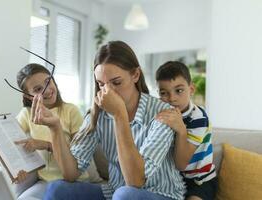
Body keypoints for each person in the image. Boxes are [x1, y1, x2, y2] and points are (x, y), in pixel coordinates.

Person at [31, 41, 186, 200]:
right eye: (101, 84)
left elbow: (135, 181)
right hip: (115, 193)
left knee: (125, 194)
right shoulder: (98, 114)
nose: (107, 92)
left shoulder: (164, 113)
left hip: (162, 194)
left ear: (135, 75)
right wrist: (55, 128)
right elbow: (71, 174)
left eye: (116, 82)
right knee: (57, 189)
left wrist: (119, 115)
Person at [14, 63, 99, 199]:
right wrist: (15, 168)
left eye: (48, 81)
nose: (47, 90)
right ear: (29, 97)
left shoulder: (71, 111)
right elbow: (10, 140)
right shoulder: (27, 113)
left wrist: (46, 145)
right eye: (37, 89)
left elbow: (77, 157)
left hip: (73, 182)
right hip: (44, 182)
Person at [155, 61, 217, 200]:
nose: (172, 98)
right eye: (164, 93)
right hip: (175, 180)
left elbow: (181, 164)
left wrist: (181, 130)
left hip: (201, 181)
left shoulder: (199, 119)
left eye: (179, 90)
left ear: (191, 89)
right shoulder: (162, 115)